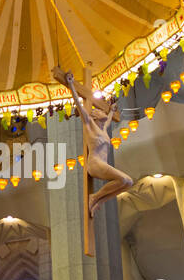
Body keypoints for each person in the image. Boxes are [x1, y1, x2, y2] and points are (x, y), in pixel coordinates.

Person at [52, 67, 133, 216]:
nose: (101, 110)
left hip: (103, 164)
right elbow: (79, 105)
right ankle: (94, 197)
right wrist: (71, 85)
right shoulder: (89, 125)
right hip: (95, 164)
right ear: (95, 115)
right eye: (99, 110)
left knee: (128, 183)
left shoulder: (103, 130)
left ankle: (97, 201)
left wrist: (111, 111)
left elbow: (109, 119)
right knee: (124, 179)